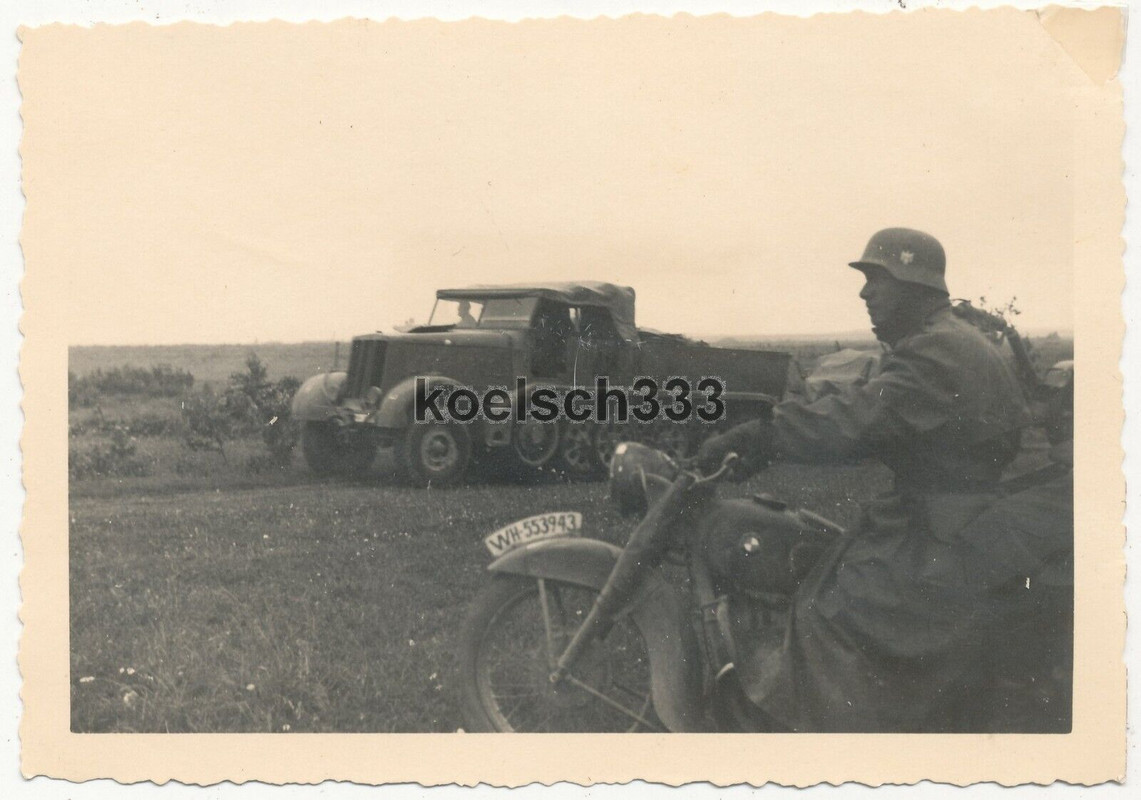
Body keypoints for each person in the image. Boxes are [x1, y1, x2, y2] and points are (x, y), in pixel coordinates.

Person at [697, 228, 1042, 731]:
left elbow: (856, 418)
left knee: (823, 609)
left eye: (877, 280)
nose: (865, 293)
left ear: (913, 285)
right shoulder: (949, 339)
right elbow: (869, 404)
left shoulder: (937, 350)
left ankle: (834, 738)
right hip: (954, 517)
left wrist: (764, 436)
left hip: (938, 530)